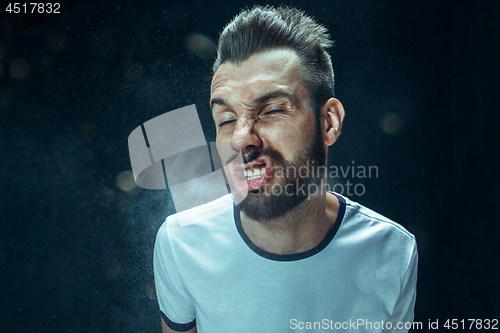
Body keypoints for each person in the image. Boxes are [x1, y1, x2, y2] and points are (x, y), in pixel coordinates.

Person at [153, 6, 417, 333]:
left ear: (329, 122)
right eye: (226, 119)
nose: (241, 139)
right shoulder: (180, 244)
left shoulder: (393, 251)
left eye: (272, 110)